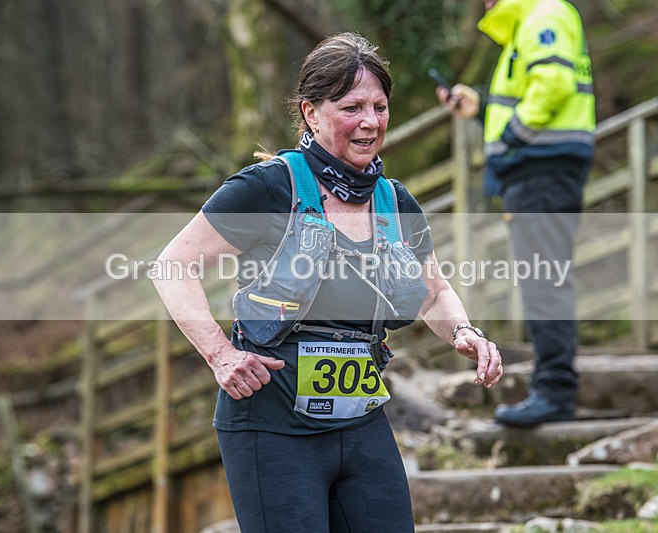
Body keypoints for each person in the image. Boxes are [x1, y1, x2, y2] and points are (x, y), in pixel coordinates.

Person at [153, 32, 503, 532]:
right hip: (271, 428)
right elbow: (172, 266)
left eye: (380, 107)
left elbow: (435, 293)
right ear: (311, 112)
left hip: (361, 424)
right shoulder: (269, 187)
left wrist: (466, 333)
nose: (370, 122)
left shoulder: (394, 201)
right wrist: (220, 355)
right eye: (351, 106)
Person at [437, 0, 595, 427]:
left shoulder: (543, 15)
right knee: (544, 277)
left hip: (541, 170)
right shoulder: (531, 24)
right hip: (540, 169)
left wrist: (509, 137)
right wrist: (483, 107)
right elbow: (535, 93)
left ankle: (555, 391)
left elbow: (554, 84)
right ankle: (553, 387)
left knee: (545, 278)